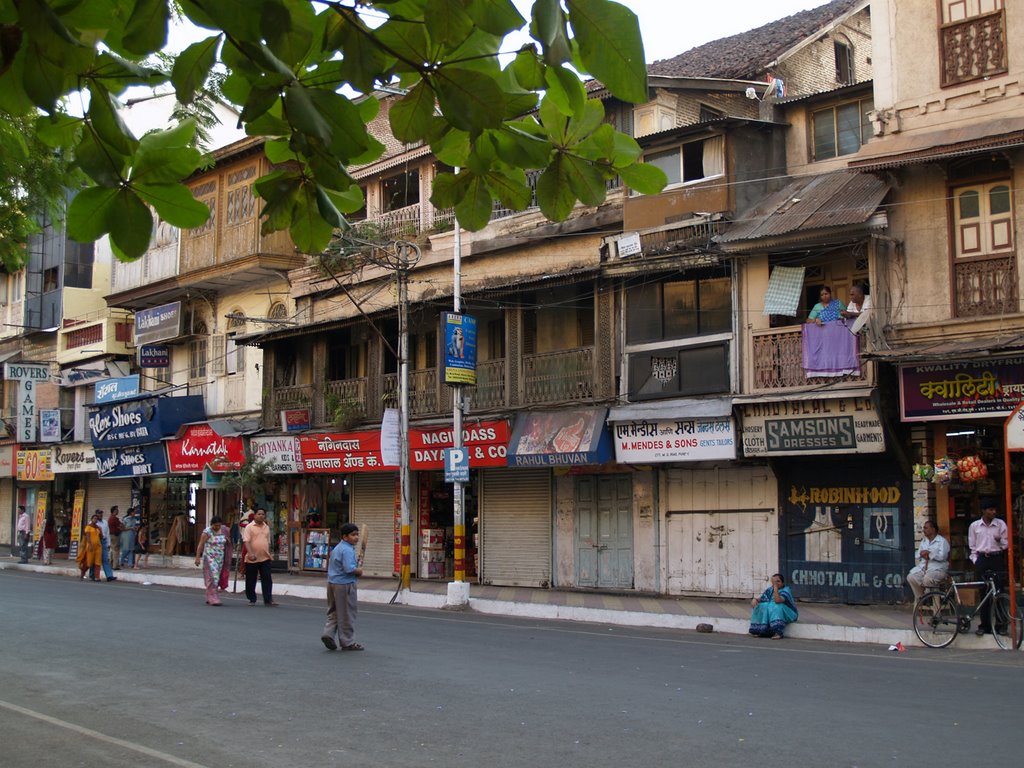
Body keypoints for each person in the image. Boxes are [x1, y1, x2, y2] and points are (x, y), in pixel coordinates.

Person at [969, 497, 1008, 636]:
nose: (994, 512)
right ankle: (985, 625)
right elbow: (972, 546)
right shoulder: (974, 526)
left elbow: (1006, 544)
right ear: (984, 511)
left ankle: (1001, 625)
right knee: (984, 592)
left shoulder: (1000, 524)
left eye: (995, 509)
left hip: (996, 558)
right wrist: (976, 560)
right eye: (991, 510)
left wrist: (1000, 541)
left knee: (999, 591)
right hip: (982, 559)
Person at [322, 523, 364, 651]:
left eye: (357, 534)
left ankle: (328, 633)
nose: (356, 537)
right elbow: (349, 569)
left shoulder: (338, 548)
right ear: (345, 537)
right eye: (353, 535)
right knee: (346, 614)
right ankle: (348, 642)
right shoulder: (347, 550)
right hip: (344, 585)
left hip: (332, 583)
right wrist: (358, 571)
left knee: (334, 611)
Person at [906, 519, 950, 601]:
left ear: (933, 529)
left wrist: (930, 554)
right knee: (911, 577)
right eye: (924, 528)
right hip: (924, 568)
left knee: (927, 579)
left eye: (926, 528)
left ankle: (932, 599)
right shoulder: (924, 541)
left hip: (938, 569)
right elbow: (917, 555)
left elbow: (943, 556)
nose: (923, 530)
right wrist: (921, 554)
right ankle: (921, 598)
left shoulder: (942, 541)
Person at [242, 508, 277, 606]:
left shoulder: (266, 527)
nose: (261, 516)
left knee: (267, 579)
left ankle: (268, 599)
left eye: (263, 514)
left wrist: (269, 552)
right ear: (255, 515)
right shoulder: (249, 527)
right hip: (252, 557)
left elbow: (268, 541)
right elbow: (246, 541)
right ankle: (252, 599)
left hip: (265, 557)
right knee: (251, 579)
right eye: (259, 514)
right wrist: (250, 553)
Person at [195, 516, 231, 606]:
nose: (217, 527)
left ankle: (210, 595)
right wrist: (197, 558)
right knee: (213, 577)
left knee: (216, 577)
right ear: (212, 524)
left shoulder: (223, 531)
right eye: (215, 525)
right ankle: (213, 597)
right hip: (210, 557)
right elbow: (200, 545)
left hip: (220, 558)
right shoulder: (207, 532)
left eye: (219, 525)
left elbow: (228, 542)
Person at [749, 573, 799, 639]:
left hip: (789, 613)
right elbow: (762, 599)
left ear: (782, 582)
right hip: (772, 610)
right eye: (774, 582)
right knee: (761, 606)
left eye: (778, 581)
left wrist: (775, 588)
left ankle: (778, 632)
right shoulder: (770, 590)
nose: (776, 583)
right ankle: (762, 631)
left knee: (777, 606)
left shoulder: (786, 590)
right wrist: (755, 600)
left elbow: (777, 600)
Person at [77, 513, 103, 581]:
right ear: (91, 519)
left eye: (96, 519)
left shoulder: (98, 528)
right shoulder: (88, 527)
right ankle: (83, 573)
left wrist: (100, 531)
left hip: (98, 547)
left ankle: (97, 577)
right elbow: (88, 537)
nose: (95, 520)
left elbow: (101, 537)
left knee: (98, 562)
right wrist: (90, 545)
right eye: (94, 518)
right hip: (90, 547)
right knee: (89, 562)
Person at [96, 509, 116, 582]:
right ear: (96, 514)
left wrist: (108, 543)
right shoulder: (93, 523)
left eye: (101, 513)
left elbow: (107, 533)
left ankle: (109, 576)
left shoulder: (105, 522)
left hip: (104, 542)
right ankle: (94, 576)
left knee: (105, 559)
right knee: (96, 560)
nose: (100, 515)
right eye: (99, 513)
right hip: (96, 542)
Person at [107, 506, 123, 570]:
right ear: (114, 511)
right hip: (115, 535)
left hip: (111, 535)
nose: (118, 511)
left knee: (112, 550)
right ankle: (115, 565)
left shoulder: (110, 518)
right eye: (117, 510)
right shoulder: (114, 518)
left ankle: (111, 564)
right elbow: (120, 525)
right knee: (116, 550)